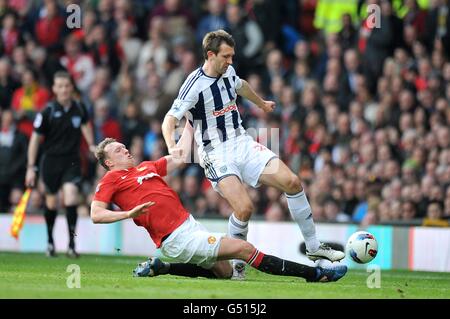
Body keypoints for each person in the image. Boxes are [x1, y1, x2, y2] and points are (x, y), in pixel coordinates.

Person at [162, 29, 345, 280]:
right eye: (226, 56)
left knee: (292, 181)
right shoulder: (193, 85)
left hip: (242, 143)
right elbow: (169, 119)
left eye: (232, 56)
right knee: (244, 208)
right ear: (210, 54)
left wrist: (261, 103)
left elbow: (241, 86)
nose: (230, 61)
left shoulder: (229, 71)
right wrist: (172, 146)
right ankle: (238, 267)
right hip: (216, 154)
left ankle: (314, 248)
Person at [90, 123, 347, 282]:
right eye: (118, 150)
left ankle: (164, 267)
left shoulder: (146, 167)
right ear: (109, 162)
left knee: (224, 273)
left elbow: (179, 157)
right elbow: (96, 214)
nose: (125, 149)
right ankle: (315, 274)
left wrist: (192, 121)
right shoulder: (112, 178)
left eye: (124, 146)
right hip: (175, 237)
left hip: (189, 226)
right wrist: (128, 214)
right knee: (245, 250)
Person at [25, 71, 95, 258]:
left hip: (71, 161)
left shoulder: (80, 108)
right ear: (55, 89)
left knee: (71, 198)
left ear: (71, 87)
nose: (64, 89)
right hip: (50, 162)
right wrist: (31, 167)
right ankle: (50, 242)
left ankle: (72, 245)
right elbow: (34, 140)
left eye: (67, 86)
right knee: (52, 202)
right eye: (60, 86)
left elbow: (86, 127)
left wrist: (92, 146)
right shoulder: (47, 111)